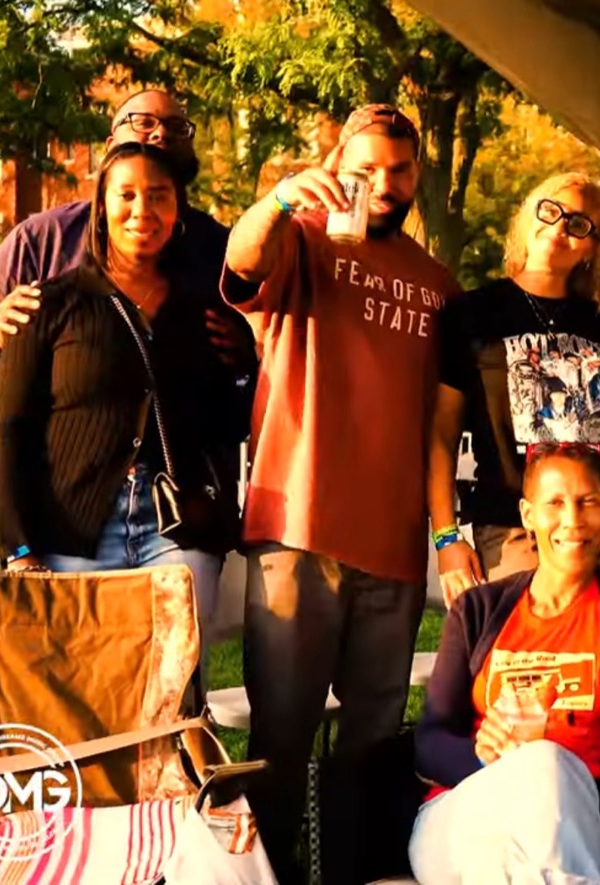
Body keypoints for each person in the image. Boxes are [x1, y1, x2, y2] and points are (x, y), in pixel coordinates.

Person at [220, 103, 460, 882]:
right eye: (366, 170)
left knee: (373, 745)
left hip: (392, 544)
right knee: (281, 741)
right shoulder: (302, 241)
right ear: (339, 167)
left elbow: (440, 419)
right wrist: (285, 197)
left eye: (399, 170)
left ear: (417, 173)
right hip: (298, 526)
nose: (383, 186)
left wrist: (443, 531)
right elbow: (242, 259)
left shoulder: (438, 284)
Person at [0, 141, 250, 670]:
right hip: (71, 530)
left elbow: (229, 425)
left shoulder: (204, 313)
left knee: (172, 688)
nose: (142, 211)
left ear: (178, 210)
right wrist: (18, 549)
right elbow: (12, 428)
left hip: (174, 528)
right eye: (126, 195)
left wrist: (244, 359)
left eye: (159, 196)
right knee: (78, 692)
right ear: (101, 208)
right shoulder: (49, 303)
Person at [410, 446, 600, 885]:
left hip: (589, 824)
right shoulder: (477, 611)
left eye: (587, 502)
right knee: (530, 781)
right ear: (527, 514)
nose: (572, 519)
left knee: (543, 772)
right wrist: (492, 760)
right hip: (465, 813)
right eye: (555, 503)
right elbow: (429, 740)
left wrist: (570, 782)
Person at [429, 173, 600, 603]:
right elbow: (440, 436)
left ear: (592, 246)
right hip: (514, 528)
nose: (561, 227)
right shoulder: (473, 314)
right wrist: (446, 538)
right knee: (526, 659)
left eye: (579, 224)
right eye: (551, 210)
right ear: (530, 215)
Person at [0, 89, 252, 370]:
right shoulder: (47, 236)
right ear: (109, 147)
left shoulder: (221, 246)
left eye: (175, 127)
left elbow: (271, 332)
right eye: (144, 123)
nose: (161, 133)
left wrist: (248, 344)